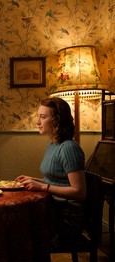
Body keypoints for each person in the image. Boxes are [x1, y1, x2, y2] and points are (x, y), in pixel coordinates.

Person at [16, 97, 86, 243]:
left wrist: (42, 186)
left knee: (17, 228)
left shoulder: (69, 148)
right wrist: (34, 180)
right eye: (38, 117)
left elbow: (79, 192)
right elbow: (58, 181)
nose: (37, 122)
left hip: (65, 216)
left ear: (56, 120)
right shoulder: (52, 145)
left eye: (43, 117)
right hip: (53, 208)